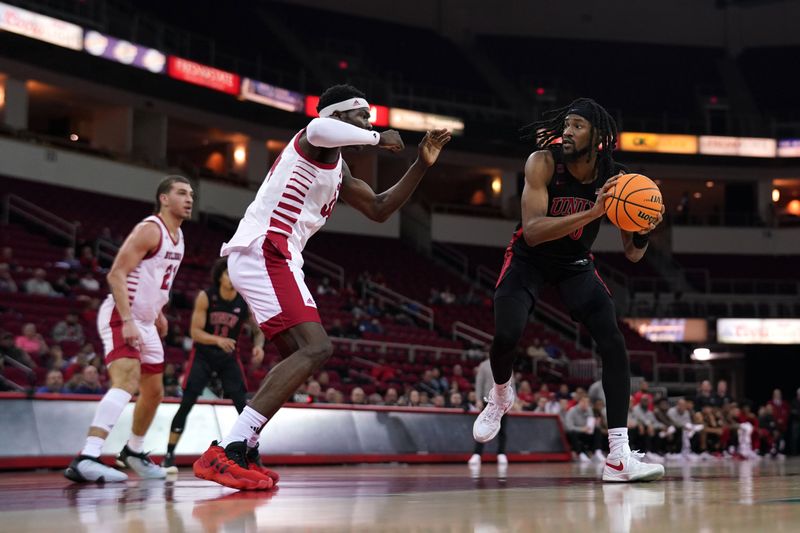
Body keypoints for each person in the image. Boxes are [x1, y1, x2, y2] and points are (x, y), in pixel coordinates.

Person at [192, 84, 451, 490]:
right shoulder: (315, 139)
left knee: (299, 359)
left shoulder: (340, 167)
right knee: (318, 347)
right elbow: (319, 129)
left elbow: (379, 209)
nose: (369, 124)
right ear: (340, 116)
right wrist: (377, 139)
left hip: (278, 257)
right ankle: (227, 450)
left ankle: (246, 446)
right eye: (362, 116)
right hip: (265, 249)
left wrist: (420, 164)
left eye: (371, 120)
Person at [471, 98, 665, 482]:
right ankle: (500, 394)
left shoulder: (617, 178)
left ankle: (618, 455)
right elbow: (534, 230)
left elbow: (633, 255)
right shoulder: (543, 162)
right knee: (507, 333)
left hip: (575, 263)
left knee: (613, 341)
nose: (568, 132)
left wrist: (643, 226)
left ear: (598, 137)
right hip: (529, 258)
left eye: (577, 126)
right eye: (567, 125)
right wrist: (594, 213)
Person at [64, 175, 192, 484]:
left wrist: (159, 312)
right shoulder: (150, 229)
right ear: (163, 198)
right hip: (123, 315)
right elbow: (116, 274)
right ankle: (87, 456)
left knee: (154, 391)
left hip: (146, 320)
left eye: (191, 194)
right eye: (181, 193)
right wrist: (129, 320)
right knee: (127, 381)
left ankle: (133, 452)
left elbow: (155, 278)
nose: (189, 199)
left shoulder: (180, 236)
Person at [162, 258, 265, 469]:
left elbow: (258, 328)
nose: (231, 277)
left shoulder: (243, 301)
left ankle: (251, 453)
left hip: (228, 356)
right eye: (228, 273)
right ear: (220, 276)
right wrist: (218, 340)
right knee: (187, 402)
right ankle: (169, 455)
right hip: (204, 355)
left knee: (242, 405)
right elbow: (195, 332)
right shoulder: (206, 296)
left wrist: (259, 345)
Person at [468, 353, 509, 470]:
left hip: (503, 402)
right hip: (488, 400)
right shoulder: (484, 365)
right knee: (482, 428)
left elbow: (512, 383)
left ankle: (501, 453)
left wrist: (513, 399)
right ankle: (477, 454)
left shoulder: (507, 364)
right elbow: (479, 383)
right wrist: (478, 399)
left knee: (502, 429)